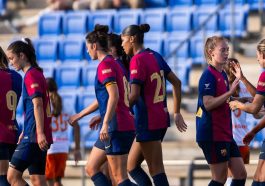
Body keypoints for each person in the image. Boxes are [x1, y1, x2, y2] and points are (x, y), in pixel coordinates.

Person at [68, 25, 135, 186]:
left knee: (119, 178)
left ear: (94, 46)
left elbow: (114, 95)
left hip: (115, 126)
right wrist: (81, 115)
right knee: (91, 168)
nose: (87, 52)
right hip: (118, 123)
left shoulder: (105, 65)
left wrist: (105, 123)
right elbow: (105, 97)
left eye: (87, 48)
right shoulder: (114, 63)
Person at [120, 23, 187, 186]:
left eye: (123, 41)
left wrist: (121, 109)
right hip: (160, 119)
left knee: (156, 170)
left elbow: (134, 95)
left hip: (148, 121)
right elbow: (177, 83)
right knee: (131, 166)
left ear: (132, 39)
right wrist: (176, 112)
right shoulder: (155, 55)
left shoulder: (137, 60)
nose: (122, 45)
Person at [196, 36, 247, 186]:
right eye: (222, 50)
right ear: (211, 52)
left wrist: (241, 101)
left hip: (224, 133)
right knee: (219, 178)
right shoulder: (208, 75)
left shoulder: (222, 74)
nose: (226, 53)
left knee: (240, 174)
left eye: (227, 50)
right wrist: (230, 92)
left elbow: (223, 100)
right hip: (213, 134)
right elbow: (208, 104)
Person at [6, 38, 53, 186]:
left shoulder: (31, 75)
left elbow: (37, 104)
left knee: (12, 177)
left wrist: (38, 133)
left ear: (22, 56)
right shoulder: (38, 73)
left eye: (12, 58)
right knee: (38, 180)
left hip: (34, 136)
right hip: (35, 133)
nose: (11, 63)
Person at [229, 38, 265, 186]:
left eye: (258, 57)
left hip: (237, 142)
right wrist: (242, 78)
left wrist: (238, 104)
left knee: (259, 179)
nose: (257, 60)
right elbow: (259, 99)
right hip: (243, 139)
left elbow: (255, 108)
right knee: (257, 177)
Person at [224, 58, 261, 185]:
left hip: (232, 137)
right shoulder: (242, 88)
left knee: (231, 175)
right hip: (242, 137)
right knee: (238, 175)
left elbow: (259, 99)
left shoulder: (224, 87)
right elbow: (258, 97)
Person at [45, 77, 81, 186]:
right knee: (58, 181)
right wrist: (77, 149)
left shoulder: (45, 104)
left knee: (49, 181)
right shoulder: (67, 103)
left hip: (49, 148)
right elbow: (77, 126)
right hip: (63, 147)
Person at [0, 46, 22, 186]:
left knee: (2, 178)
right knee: (10, 178)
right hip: (13, 131)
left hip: (0, 133)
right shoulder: (17, 76)